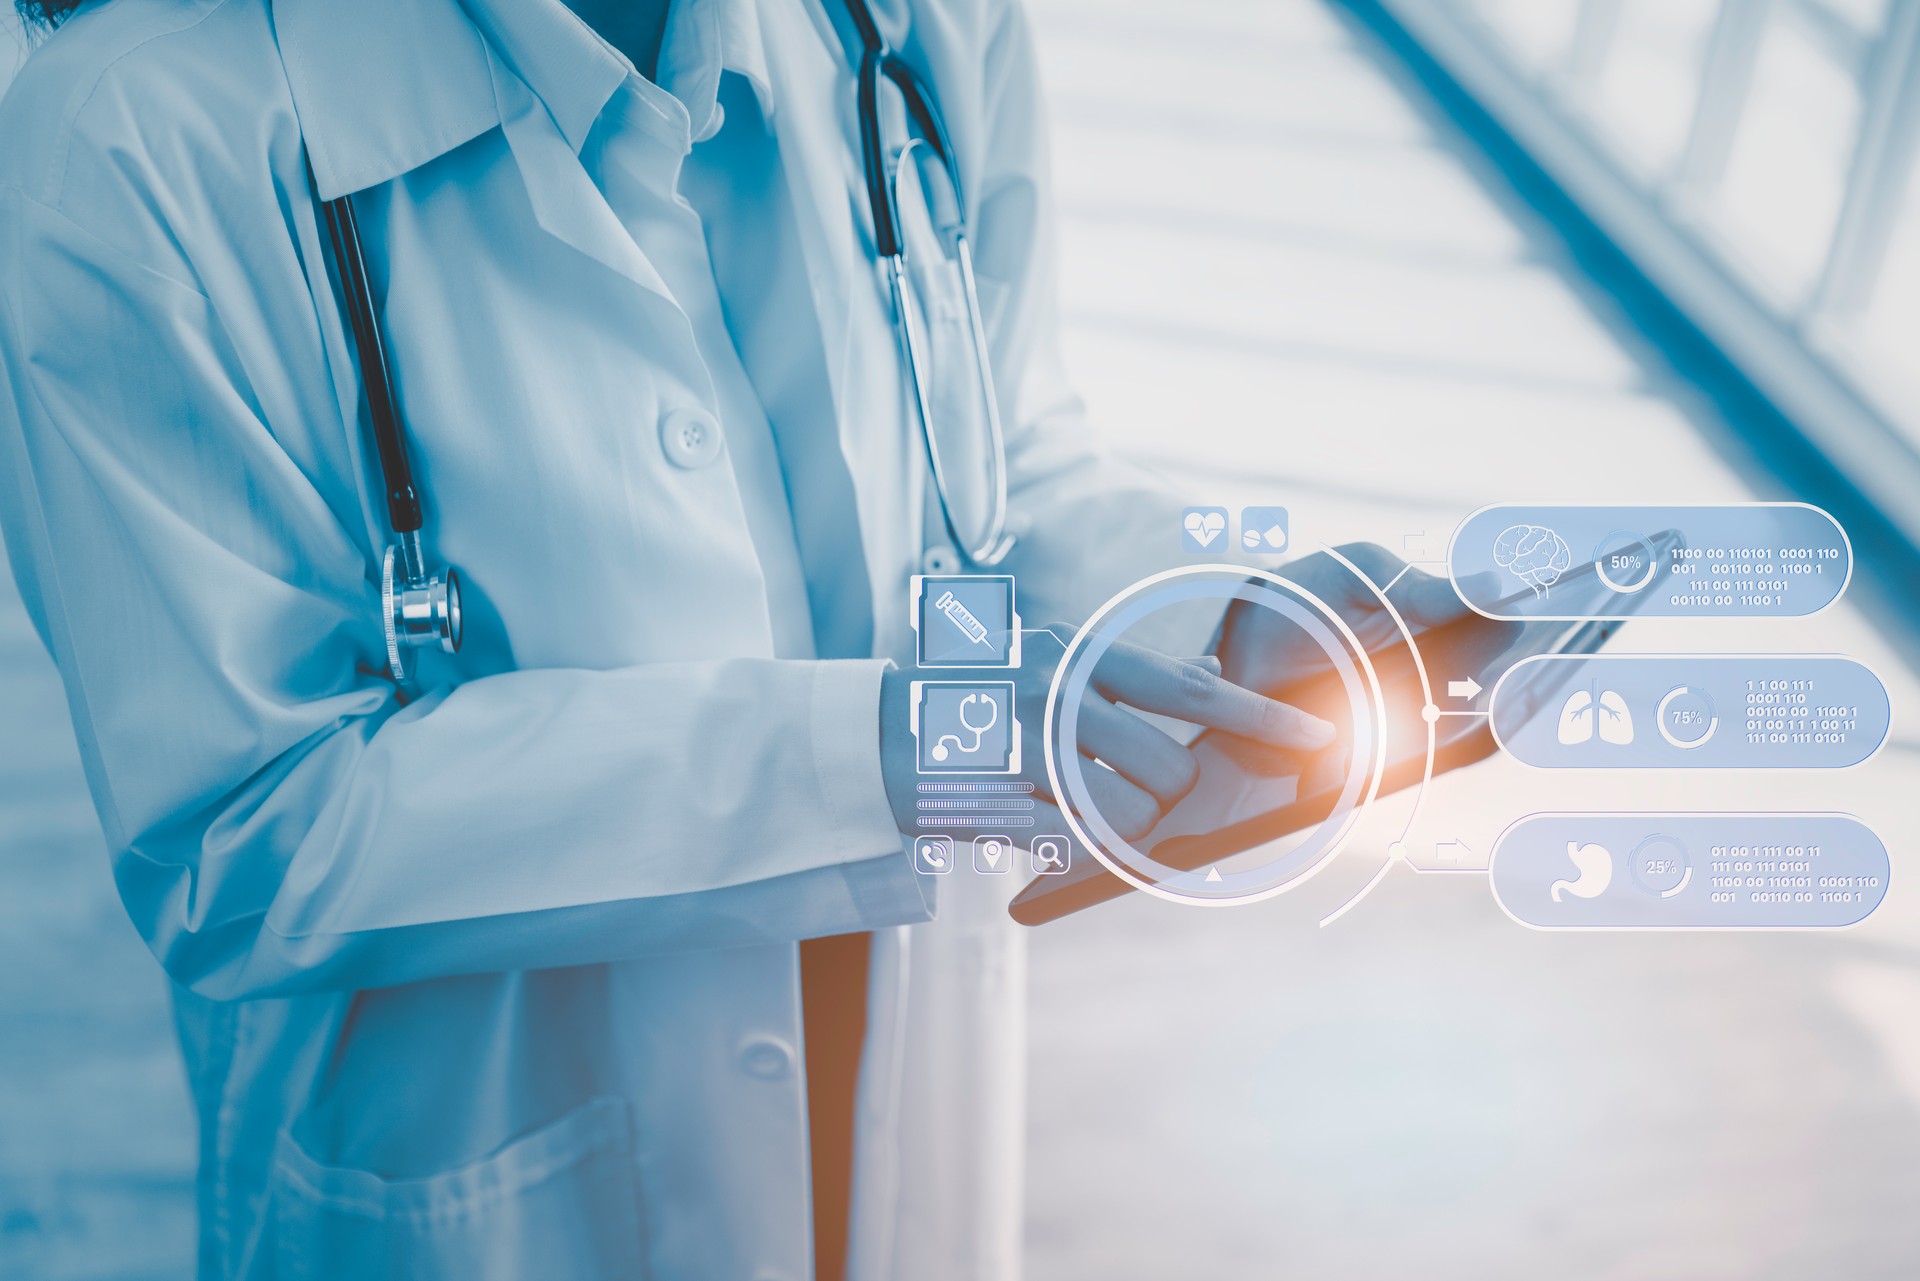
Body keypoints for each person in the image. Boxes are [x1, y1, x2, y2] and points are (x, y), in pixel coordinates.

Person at [0, 0, 1472, 1276]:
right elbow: (248, 835)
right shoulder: (127, 147)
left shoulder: (909, 28)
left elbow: (1001, 479)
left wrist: (1225, 617)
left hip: (893, 1118)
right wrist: (886, 749)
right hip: (477, 1200)